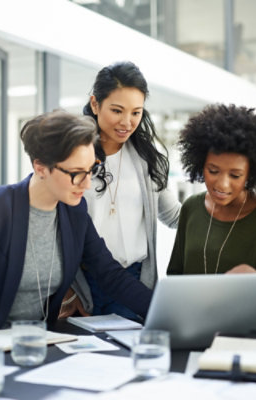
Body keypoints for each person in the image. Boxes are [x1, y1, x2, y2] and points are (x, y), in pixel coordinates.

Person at [0, 110, 152, 356]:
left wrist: (161, 311)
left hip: (29, 350)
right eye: (76, 173)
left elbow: (109, 274)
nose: (87, 184)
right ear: (41, 167)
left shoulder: (74, 212)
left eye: (91, 170)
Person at [60, 61, 180, 320]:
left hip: (133, 282)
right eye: (117, 110)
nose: (127, 122)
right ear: (95, 104)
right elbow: (53, 225)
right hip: (82, 285)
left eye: (136, 112)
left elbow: (174, 215)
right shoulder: (71, 155)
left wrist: (225, 204)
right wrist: (68, 289)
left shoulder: (147, 159)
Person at [167, 103, 256, 278]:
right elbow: (174, 276)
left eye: (235, 175)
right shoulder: (191, 208)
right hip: (190, 306)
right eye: (213, 171)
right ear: (201, 165)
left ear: (250, 174)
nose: (222, 185)